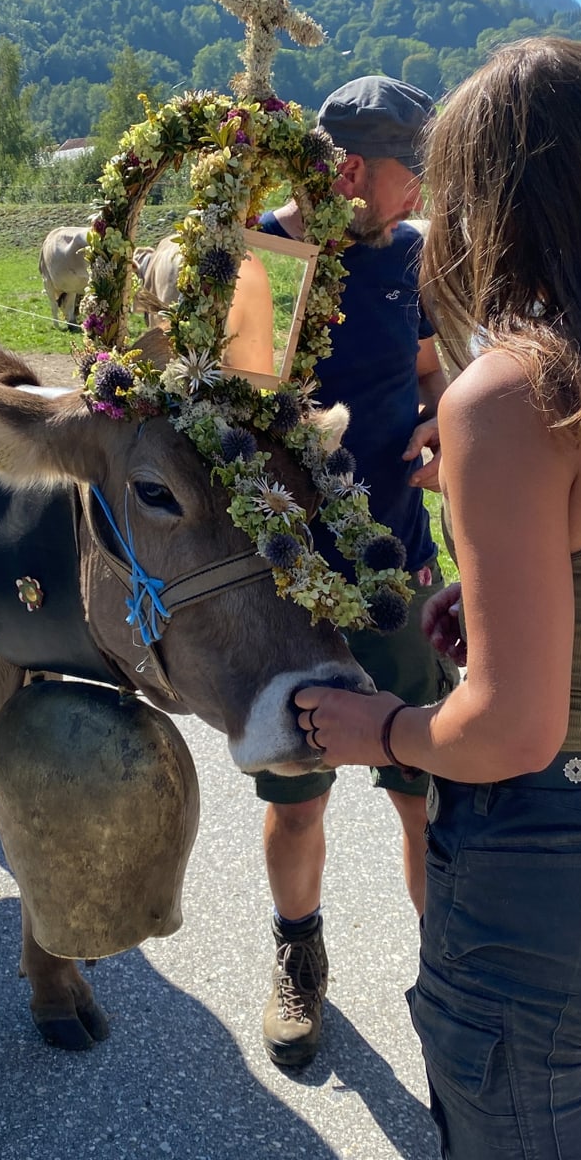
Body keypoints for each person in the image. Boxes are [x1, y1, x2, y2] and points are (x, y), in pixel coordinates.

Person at [296, 36, 581, 1160]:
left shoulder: (513, 394)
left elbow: (512, 728)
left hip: (553, 868)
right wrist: (526, 593)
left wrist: (381, 731)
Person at [248, 76, 458, 1069]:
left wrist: (445, 416)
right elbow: (232, 423)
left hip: (399, 577)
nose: (422, 195)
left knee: (424, 792)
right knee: (301, 806)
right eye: (414, 175)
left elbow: (429, 367)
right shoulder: (269, 257)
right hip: (293, 597)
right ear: (352, 169)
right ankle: (300, 960)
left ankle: (450, 974)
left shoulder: (410, 258)